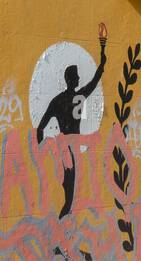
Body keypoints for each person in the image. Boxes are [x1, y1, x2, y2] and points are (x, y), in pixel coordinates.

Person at [35, 40, 107, 218]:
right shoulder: (79, 96)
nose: (79, 78)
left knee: (71, 194)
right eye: (76, 76)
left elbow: (40, 128)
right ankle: (62, 229)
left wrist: (41, 151)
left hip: (63, 150)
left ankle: (66, 232)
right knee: (70, 197)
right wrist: (102, 65)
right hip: (71, 150)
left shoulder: (57, 100)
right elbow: (94, 82)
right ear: (71, 79)